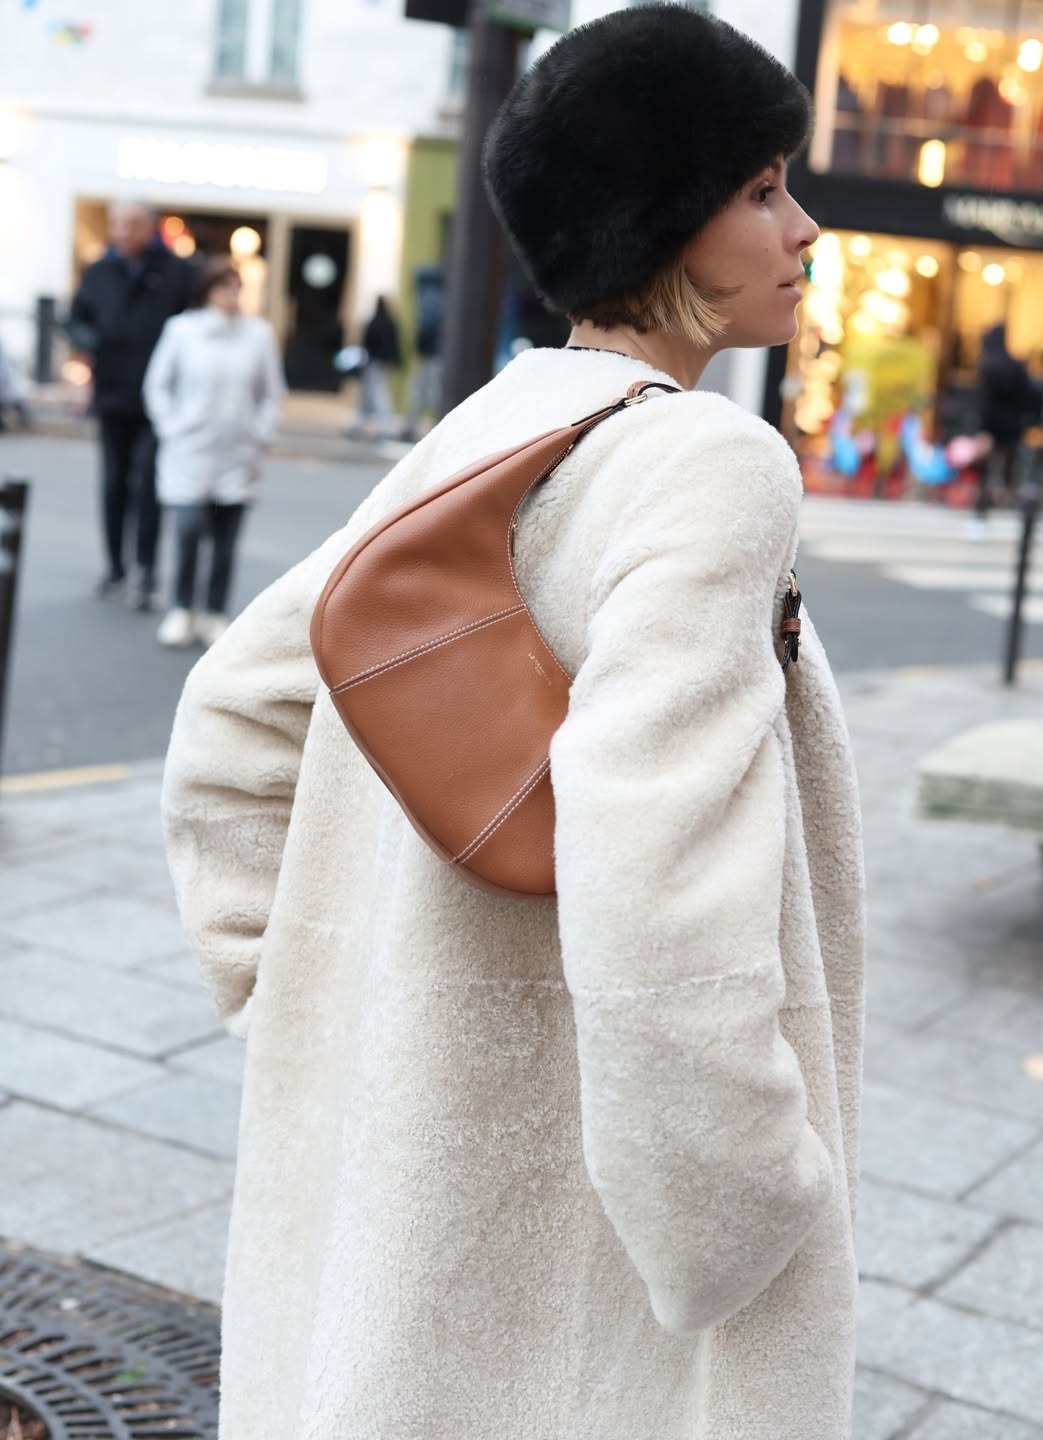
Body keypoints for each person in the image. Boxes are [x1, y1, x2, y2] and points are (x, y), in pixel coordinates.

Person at [161, 10, 864, 1440]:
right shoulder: (710, 464)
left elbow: (238, 719)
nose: (805, 227)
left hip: (415, 1183)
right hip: (592, 1253)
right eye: (760, 187)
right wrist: (737, 1197)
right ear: (659, 218)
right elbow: (662, 858)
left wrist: (302, 999)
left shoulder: (494, 421)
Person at [143, 258, 284, 649]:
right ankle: (182, 607)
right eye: (225, 287)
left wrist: (260, 433)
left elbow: (271, 392)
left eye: (237, 287)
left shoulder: (258, 335)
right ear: (207, 291)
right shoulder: (182, 331)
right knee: (187, 529)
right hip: (189, 450)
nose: (232, 296)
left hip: (237, 453)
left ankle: (214, 611)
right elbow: (157, 385)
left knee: (226, 538)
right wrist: (171, 428)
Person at [67, 201, 194, 608]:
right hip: (111, 393)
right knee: (112, 482)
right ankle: (115, 567)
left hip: (158, 399)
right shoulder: (99, 271)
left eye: (133, 224)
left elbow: (192, 328)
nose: (125, 231)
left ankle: (146, 570)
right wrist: (86, 344)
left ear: (150, 228)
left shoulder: (176, 273)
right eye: (119, 224)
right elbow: (76, 318)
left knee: (149, 485)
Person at [973, 323, 1043, 525]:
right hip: (1013, 425)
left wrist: (982, 429)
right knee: (1008, 467)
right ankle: (1005, 506)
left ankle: (984, 510)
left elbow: (985, 402)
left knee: (987, 470)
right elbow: (1027, 397)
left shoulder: (989, 365)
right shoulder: (1016, 366)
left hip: (993, 426)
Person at [402, 265, 444, 441]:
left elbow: (427, 326)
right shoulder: (438, 295)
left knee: (425, 391)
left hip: (430, 352)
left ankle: (418, 426)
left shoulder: (428, 296)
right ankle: (425, 426)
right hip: (433, 351)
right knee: (428, 391)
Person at [353, 295, 401, 438]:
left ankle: (381, 426)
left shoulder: (374, 321)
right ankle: (371, 424)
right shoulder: (388, 322)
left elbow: (367, 343)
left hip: (373, 363)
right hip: (378, 363)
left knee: (376, 394)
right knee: (374, 394)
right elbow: (392, 344)